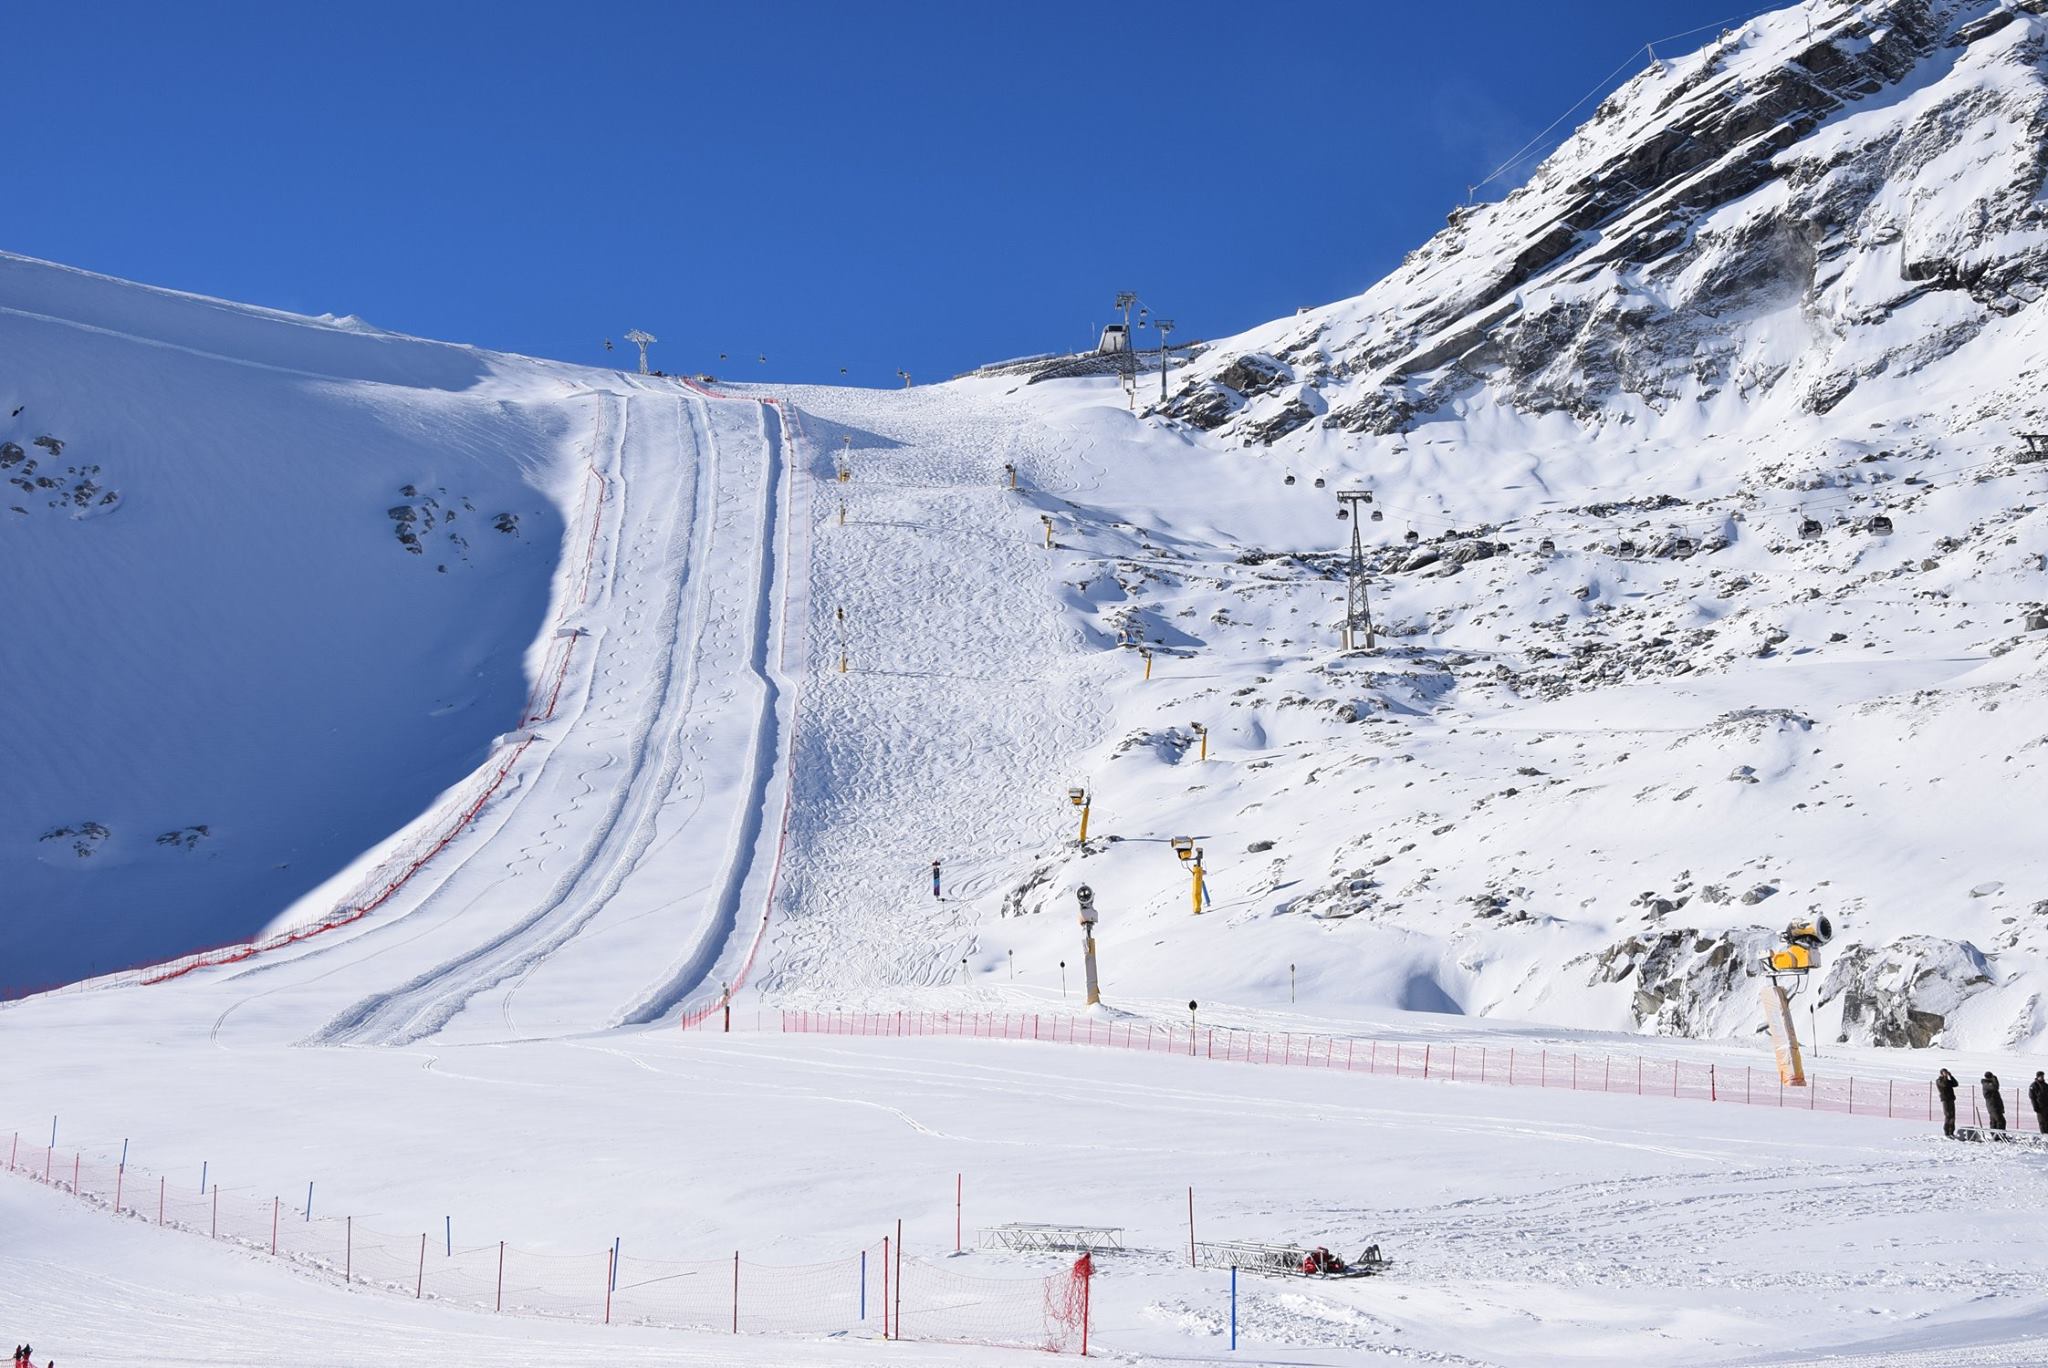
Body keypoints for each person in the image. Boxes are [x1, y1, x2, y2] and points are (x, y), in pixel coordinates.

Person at [1936, 1068, 1958, 1138]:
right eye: (1944, 1073)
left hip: (1951, 1099)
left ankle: (1951, 1131)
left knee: (1952, 1116)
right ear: (1941, 1074)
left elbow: (1955, 1084)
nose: (1946, 1074)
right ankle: (1946, 1131)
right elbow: (1944, 1085)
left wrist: (1951, 1076)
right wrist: (1945, 1077)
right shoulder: (1939, 1080)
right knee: (1948, 1115)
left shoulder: (1948, 1081)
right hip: (1945, 1099)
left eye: (1946, 1072)